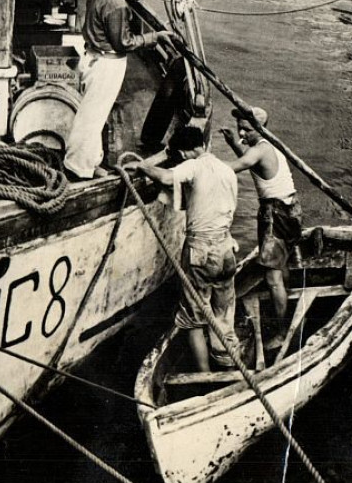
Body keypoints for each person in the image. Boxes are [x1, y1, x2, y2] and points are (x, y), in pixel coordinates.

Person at [128, 124, 239, 372]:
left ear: (187, 151)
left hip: (201, 249)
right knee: (223, 312)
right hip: (226, 247)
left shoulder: (193, 164)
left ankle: (205, 375)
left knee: (193, 317)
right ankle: (228, 363)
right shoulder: (227, 170)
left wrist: (144, 166)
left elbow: (167, 177)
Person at [63, 0, 175, 181]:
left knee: (93, 114)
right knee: (93, 118)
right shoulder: (119, 5)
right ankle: (77, 167)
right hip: (107, 64)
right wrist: (154, 37)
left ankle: (91, 161)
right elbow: (123, 43)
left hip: (92, 56)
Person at [220, 106, 302, 351]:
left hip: (275, 213)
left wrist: (201, 163)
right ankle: (286, 305)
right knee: (282, 263)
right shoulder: (268, 146)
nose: (242, 133)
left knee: (272, 277)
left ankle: (282, 331)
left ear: (260, 129)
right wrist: (234, 143)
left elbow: (237, 166)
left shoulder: (260, 150)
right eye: (239, 128)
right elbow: (251, 162)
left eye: (246, 130)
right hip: (291, 207)